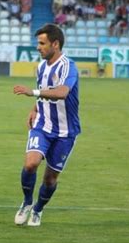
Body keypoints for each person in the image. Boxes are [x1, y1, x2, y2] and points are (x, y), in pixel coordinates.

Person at [13, 24, 80, 227]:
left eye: (42, 43)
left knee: (50, 179)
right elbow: (45, 91)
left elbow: (61, 92)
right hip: (43, 125)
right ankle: (26, 202)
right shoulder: (42, 66)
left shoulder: (68, 66)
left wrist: (31, 92)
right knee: (31, 163)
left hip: (65, 132)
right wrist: (34, 108)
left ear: (55, 44)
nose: (38, 47)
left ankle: (38, 210)